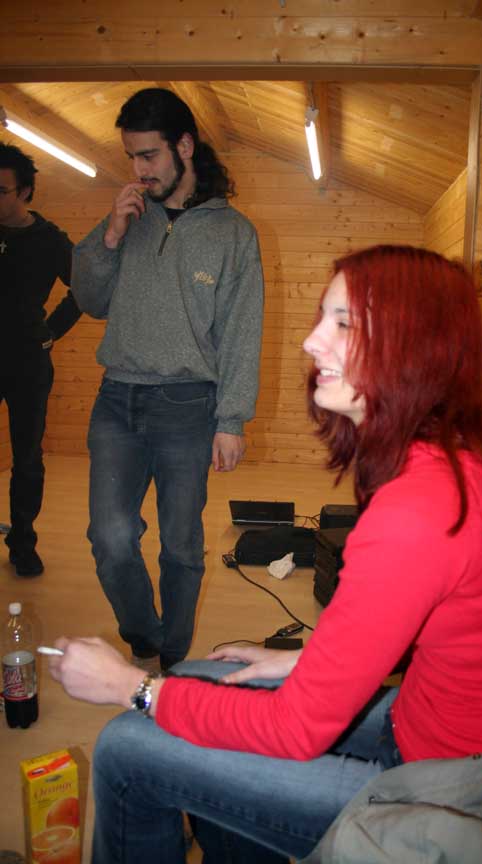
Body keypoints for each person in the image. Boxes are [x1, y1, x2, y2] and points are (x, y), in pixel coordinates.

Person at [50, 245, 482, 863]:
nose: (310, 341)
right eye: (323, 317)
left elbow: (294, 731)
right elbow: (435, 622)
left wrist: (129, 686)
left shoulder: (419, 508)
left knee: (126, 747)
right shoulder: (464, 456)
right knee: (193, 679)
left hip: (459, 795)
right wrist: (306, 661)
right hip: (450, 731)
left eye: (343, 324)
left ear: (416, 347)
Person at [71, 88, 264, 673]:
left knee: (181, 546)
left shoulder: (233, 233)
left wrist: (231, 420)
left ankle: (174, 660)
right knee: (109, 537)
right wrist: (108, 238)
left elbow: (241, 331)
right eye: (131, 156)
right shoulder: (127, 218)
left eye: (149, 155)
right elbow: (89, 299)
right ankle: (146, 639)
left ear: (184, 147)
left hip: (188, 407)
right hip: (117, 401)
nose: (139, 170)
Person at [0, 141, 81, 576]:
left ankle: (23, 542)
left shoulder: (49, 241)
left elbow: (83, 289)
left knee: (27, 457)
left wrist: (51, 331)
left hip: (26, 363)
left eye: (1, 191)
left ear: (26, 192)